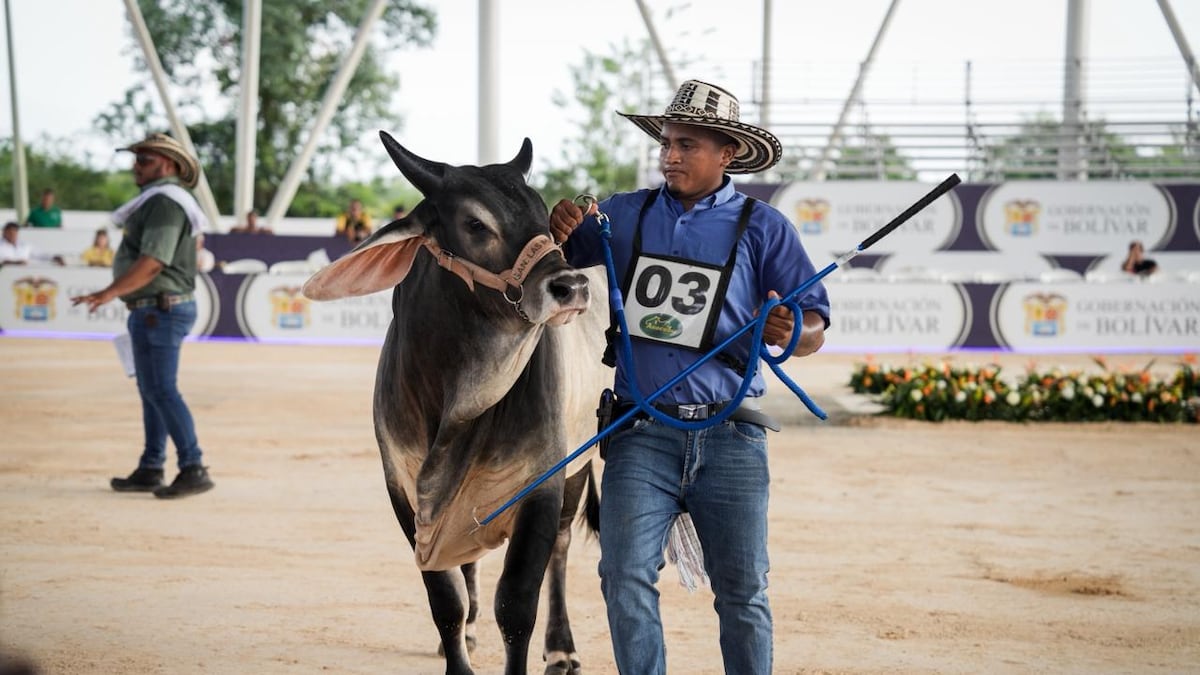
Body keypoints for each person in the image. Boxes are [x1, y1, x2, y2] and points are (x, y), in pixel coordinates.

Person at [549, 79, 830, 674]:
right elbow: (555, 254)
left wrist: (790, 329)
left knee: (743, 591)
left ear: (728, 153)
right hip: (638, 432)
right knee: (622, 575)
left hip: (732, 436)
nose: (670, 156)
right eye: (667, 144)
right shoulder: (623, 215)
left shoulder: (764, 227)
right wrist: (559, 223)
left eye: (687, 145)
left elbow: (813, 329)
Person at [70, 132, 214, 499]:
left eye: (145, 160)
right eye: (136, 159)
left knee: (160, 389)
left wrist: (108, 292)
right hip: (155, 308)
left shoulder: (165, 202)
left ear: (168, 165)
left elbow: (153, 262)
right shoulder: (163, 200)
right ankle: (152, 467)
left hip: (160, 308)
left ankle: (193, 466)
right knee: (153, 390)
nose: (136, 166)